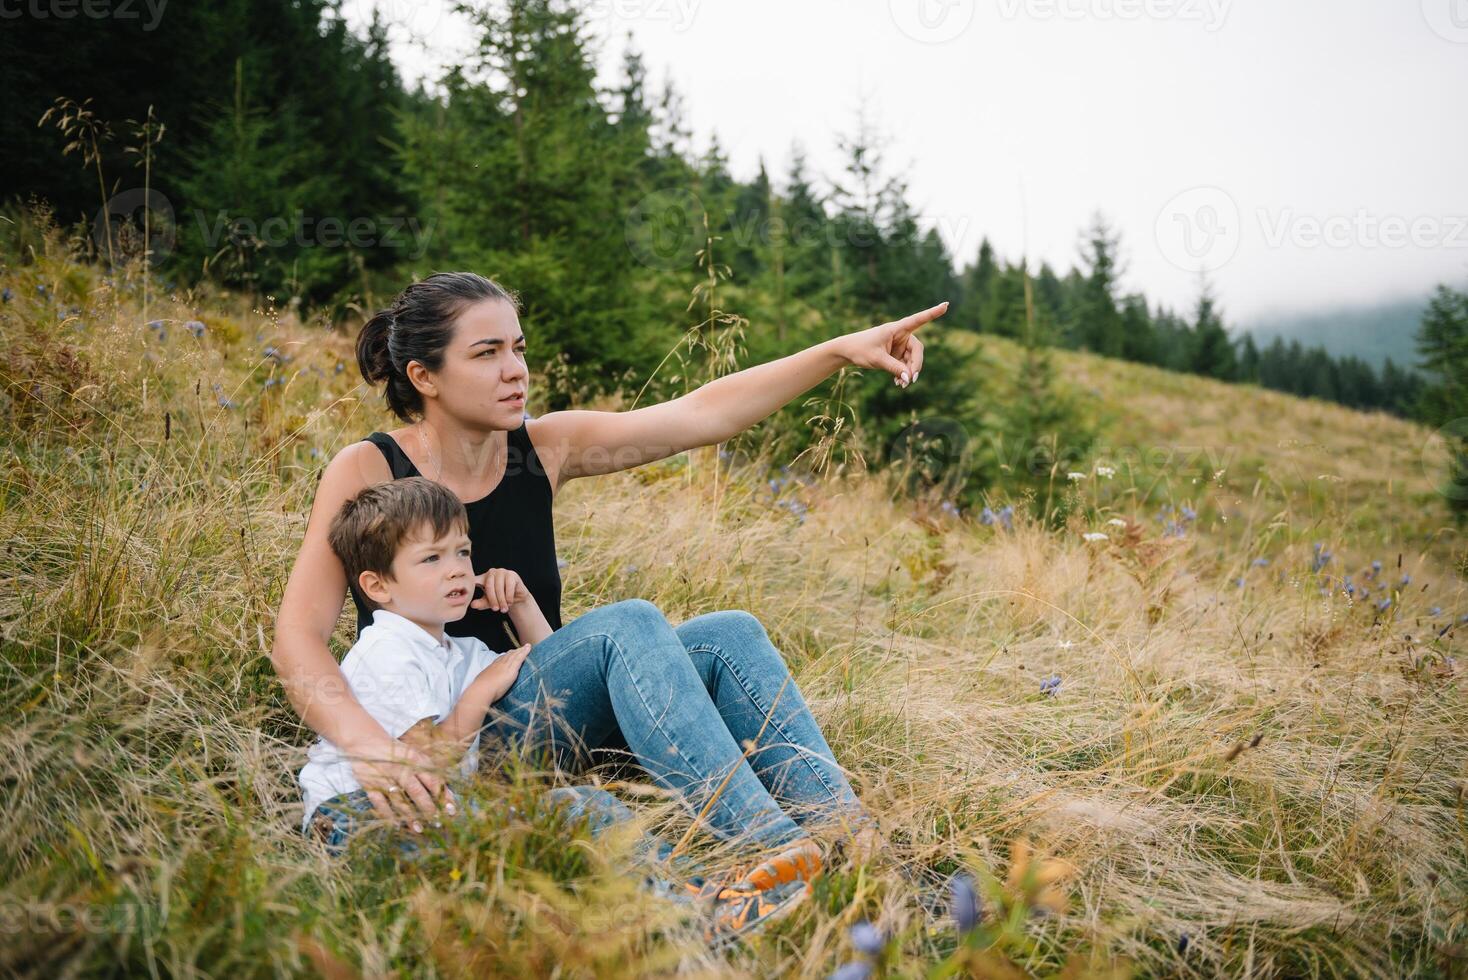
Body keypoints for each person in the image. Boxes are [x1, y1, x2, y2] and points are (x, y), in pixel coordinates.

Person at [270, 270, 945, 892]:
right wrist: (374, 751)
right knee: (628, 624)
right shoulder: (370, 468)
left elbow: (704, 414)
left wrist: (837, 352)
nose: (516, 371)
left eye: (519, 348)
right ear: (425, 375)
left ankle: (859, 854)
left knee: (727, 637)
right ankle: (767, 854)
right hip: (449, 738)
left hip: (540, 709)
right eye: (487, 354)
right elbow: (298, 638)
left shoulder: (544, 447)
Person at [299, 475, 813, 940]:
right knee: (587, 812)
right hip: (359, 820)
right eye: (431, 559)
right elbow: (424, 767)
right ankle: (694, 914)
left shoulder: (460, 650)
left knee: (583, 810)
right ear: (377, 586)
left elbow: (562, 687)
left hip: (435, 813)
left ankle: (702, 907)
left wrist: (521, 607)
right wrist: (478, 696)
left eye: (462, 552)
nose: (456, 570)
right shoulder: (388, 649)